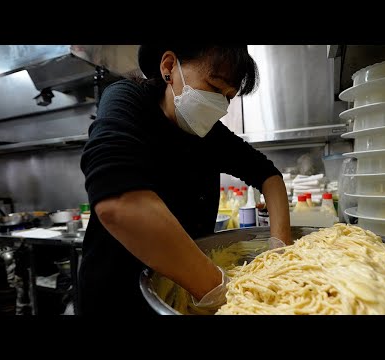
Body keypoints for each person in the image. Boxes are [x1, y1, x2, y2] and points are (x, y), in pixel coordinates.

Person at [78, 45, 291, 316]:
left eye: (227, 98)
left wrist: (280, 252)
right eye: (214, 87)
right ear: (168, 67)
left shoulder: (210, 135)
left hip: (186, 289)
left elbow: (269, 176)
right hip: (117, 295)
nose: (220, 106)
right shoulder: (127, 100)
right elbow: (119, 203)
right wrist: (220, 292)